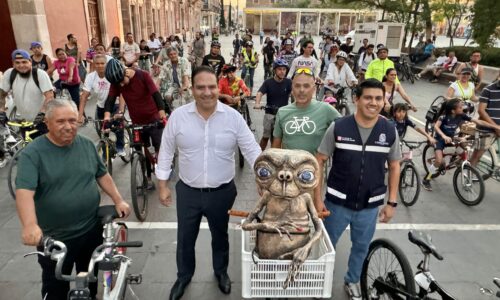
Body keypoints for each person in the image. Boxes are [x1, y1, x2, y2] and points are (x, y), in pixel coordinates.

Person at [156, 66, 261, 300]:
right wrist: (163, 185)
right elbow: (166, 151)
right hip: (188, 192)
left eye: (212, 86)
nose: (207, 92)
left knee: (220, 235)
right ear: (192, 89)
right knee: (185, 238)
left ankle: (221, 272)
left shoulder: (233, 117)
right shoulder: (179, 117)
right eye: (201, 87)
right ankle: (183, 276)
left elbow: (252, 150)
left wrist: (264, 177)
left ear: (218, 87)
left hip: (222, 192)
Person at [15, 99, 131, 300]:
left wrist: (118, 199)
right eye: (61, 121)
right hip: (55, 238)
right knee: (56, 288)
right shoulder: (33, 154)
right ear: (48, 123)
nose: (68, 127)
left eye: (72, 120)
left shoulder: (86, 145)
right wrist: (30, 225)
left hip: (90, 229)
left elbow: (102, 174)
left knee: (89, 281)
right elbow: (24, 192)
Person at [315, 79, 401, 300]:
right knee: (325, 247)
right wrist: (317, 197)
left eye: (378, 98)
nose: (373, 102)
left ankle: (352, 281)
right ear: (357, 99)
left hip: (369, 205)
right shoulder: (339, 127)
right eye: (368, 97)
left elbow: (394, 166)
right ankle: (318, 282)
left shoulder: (389, 130)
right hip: (336, 203)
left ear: (384, 101)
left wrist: (391, 202)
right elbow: (320, 160)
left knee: (361, 248)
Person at [104, 59, 167, 188]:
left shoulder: (142, 75)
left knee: (158, 148)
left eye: (122, 81)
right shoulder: (116, 82)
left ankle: (162, 169)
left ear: (125, 72)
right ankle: (147, 179)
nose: (121, 85)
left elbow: (156, 95)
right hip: (137, 121)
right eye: (118, 84)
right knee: (140, 151)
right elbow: (110, 101)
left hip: (153, 119)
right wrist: (106, 117)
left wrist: (162, 115)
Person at [422, 98, 500, 191]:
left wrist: (495, 126)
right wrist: (443, 136)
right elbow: (436, 127)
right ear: (453, 110)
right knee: (438, 161)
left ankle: (455, 161)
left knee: (464, 149)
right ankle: (426, 179)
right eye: (460, 107)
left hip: (451, 139)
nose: (462, 108)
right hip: (440, 140)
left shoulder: (461, 115)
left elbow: (478, 122)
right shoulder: (443, 117)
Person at [272, 68, 341, 155]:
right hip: (288, 167)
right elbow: (275, 148)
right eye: (297, 86)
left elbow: (347, 129)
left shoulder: (326, 109)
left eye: (306, 86)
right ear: (292, 88)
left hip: (315, 167)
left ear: (314, 88)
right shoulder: (282, 112)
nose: (301, 90)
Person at [78, 55, 126, 154]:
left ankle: (120, 146)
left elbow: (122, 93)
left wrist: (121, 111)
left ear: (106, 64)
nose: (100, 66)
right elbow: (84, 96)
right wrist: (80, 115)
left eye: (102, 63)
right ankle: (106, 152)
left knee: (118, 127)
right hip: (101, 106)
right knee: (103, 132)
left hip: (115, 104)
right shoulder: (91, 77)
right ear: (94, 64)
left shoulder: (112, 73)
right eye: (97, 63)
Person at [0, 49, 53, 132]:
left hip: (42, 121)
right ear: (13, 63)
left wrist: (42, 113)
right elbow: (2, 94)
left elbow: (49, 96)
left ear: (30, 61)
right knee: (28, 143)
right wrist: (1, 110)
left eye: (24, 62)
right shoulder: (9, 74)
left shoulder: (40, 74)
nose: (21, 65)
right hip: (23, 122)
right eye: (17, 62)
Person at [254, 59, 292, 150]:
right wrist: (257, 103)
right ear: (274, 70)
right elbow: (260, 93)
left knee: (283, 138)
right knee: (265, 136)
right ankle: (258, 155)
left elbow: (294, 94)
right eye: (279, 69)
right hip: (270, 113)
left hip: (283, 114)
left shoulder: (288, 82)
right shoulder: (268, 82)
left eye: (284, 69)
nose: (282, 71)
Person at [470, 72, 500, 167]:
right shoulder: (488, 89)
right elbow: (481, 111)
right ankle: (467, 177)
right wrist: (496, 127)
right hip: (486, 128)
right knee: (477, 156)